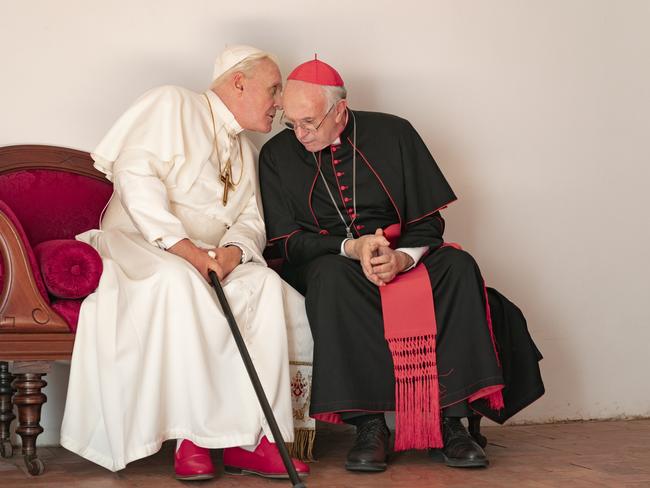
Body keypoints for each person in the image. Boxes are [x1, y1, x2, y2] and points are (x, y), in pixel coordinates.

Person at [259, 58, 543, 472]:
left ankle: (451, 423)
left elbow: (429, 221)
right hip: (334, 261)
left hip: (403, 254)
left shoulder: (395, 132)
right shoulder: (276, 156)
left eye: (309, 123)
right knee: (328, 278)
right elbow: (285, 240)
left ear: (340, 111)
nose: (299, 135)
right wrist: (350, 248)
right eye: (291, 123)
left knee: (459, 267)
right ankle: (370, 427)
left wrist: (402, 258)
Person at [60, 45, 310, 481]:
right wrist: (187, 251)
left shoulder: (247, 150)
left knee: (264, 287)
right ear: (238, 81)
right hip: (141, 244)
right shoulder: (173, 103)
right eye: (273, 89)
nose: (278, 102)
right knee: (180, 282)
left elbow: (251, 219)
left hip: (210, 258)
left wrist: (233, 254)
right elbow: (135, 179)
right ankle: (190, 437)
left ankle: (255, 439)